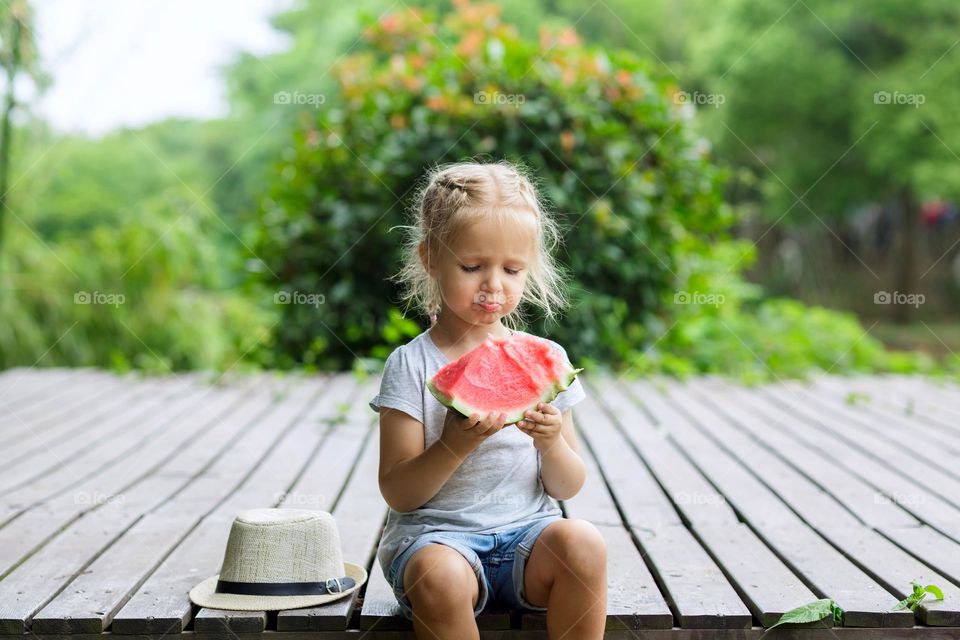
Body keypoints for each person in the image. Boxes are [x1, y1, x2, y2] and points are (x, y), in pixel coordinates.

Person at [369, 161, 607, 639]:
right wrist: (453, 446)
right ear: (431, 258)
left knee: (584, 542)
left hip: (528, 538)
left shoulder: (546, 359)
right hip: (434, 541)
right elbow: (398, 491)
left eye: (513, 269)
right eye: (472, 267)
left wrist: (551, 443)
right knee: (437, 576)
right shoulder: (410, 365)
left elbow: (567, 486)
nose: (494, 284)